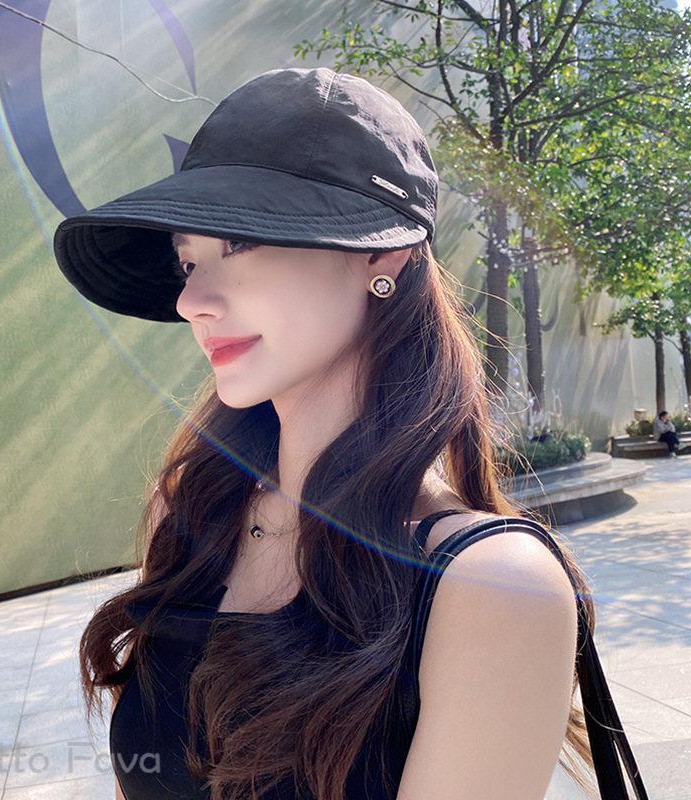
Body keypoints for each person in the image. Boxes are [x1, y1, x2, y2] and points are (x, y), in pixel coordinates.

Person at [53, 68, 597, 800]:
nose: (191, 300)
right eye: (187, 260)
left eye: (239, 242)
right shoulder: (190, 517)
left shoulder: (491, 586)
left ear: (382, 255)